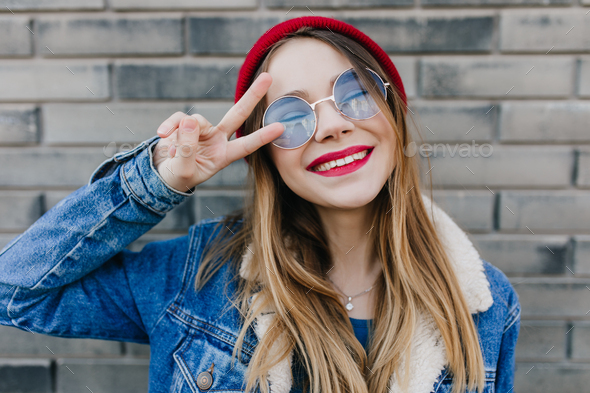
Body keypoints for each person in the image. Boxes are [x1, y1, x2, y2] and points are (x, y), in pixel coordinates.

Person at [0, 16, 520, 393]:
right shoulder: (194, 278)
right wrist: (156, 181)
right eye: (293, 116)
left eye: (353, 94)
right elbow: (14, 290)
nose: (333, 125)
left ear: (394, 115)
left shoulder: (486, 304)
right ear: (264, 156)